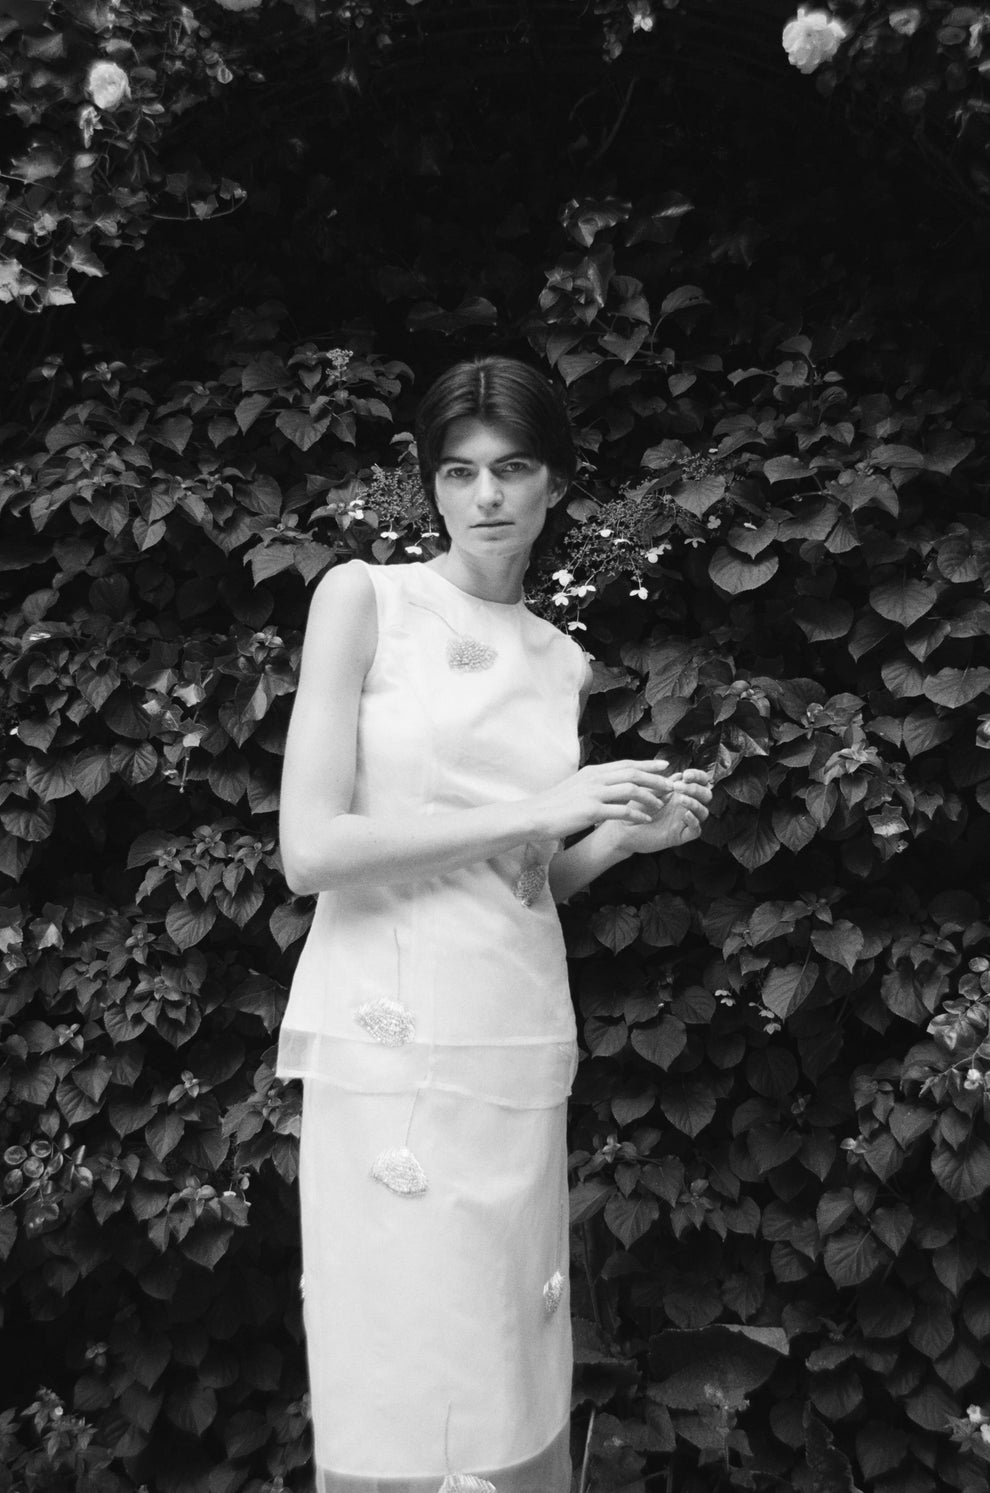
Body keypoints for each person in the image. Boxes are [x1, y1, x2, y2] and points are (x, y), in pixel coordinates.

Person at [276, 355, 712, 1493]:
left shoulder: (558, 657)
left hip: (513, 1032)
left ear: (555, 483)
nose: (486, 496)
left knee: (511, 1354)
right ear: (430, 485)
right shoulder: (363, 598)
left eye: (513, 467)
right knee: (402, 1367)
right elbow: (310, 849)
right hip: (386, 1040)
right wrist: (539, 806)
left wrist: (615, 837)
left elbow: (521, 882)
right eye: (459, 471)